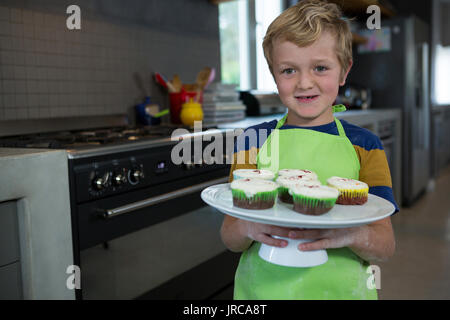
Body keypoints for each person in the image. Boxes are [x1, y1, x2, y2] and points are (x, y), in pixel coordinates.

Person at [220, 0, 399, 300]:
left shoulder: (365, 146)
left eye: (320, 67)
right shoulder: (252, 141)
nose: (305, 83)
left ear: (344, 72)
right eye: (289, 70)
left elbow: (385, 244)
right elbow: (229, 235)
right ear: (274, 75)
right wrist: (249, 228)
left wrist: (349, 234)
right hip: (262, 293)